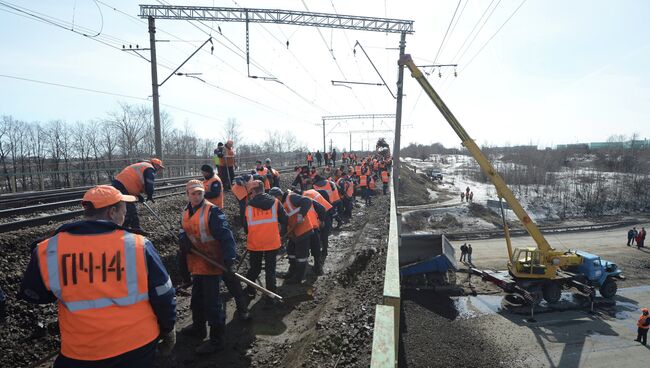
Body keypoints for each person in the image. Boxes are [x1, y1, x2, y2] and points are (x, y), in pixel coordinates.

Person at [19, 185, 177, 366]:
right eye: (123, 211)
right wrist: (167, 327)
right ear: (112, 212)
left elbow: (38, 295)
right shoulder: (138, 245)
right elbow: (163, 294)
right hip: (137, 345)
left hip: (81, 352)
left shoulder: (47, 249)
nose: (125, 216)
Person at [178, 180, 237, 354]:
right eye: (193, 194)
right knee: (196, 299)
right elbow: (185, 229)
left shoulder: (212, 211)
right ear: (187, 195)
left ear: (203, 193)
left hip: (212, 262)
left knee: (212, 303)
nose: (196, 197)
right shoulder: (186, 211)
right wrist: (184, 239)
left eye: (199, 193)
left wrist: (229, 260)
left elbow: (226, 236)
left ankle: (217, 340)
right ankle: (198, 328)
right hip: (197, 261)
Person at [242, 181, 288, 304]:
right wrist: (279, 232)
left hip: (255, 243)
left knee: (254, 268)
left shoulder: (248, 206)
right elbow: (285, 219)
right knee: (270, 269)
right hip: (272, 242)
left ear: (253, 191)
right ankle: (270, 296)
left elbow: (246, 228)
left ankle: (250, 290)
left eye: (250, 192)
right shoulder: (276, 203)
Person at [269, 187, 314, 284]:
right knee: (291, 252)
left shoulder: (291, 197)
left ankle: (298, 278)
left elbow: (307, 201)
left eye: (274, 198)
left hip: (303, 231)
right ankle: (292, 272)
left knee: (301, 256)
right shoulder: (279, 204)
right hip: (293, 233)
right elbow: (284, 222)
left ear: (279, 195)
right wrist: (282, 236)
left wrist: (301, 214)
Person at [111, 158, 164, 230]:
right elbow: (149, 184)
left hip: (121, 185)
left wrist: (139, 196)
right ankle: (128, 231)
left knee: (128, 210)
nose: (158, 169)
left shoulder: (142, 166)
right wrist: (150, 195)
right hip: (122, 186)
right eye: (159, 167)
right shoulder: (149, 168)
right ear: (155, 165)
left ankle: (134, 229)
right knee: (129, 211)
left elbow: (134, 181)